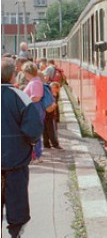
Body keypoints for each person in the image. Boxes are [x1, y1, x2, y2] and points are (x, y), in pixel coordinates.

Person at [1, 57, 44, 238]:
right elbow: (33, 128)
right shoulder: (20, 97)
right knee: (16, 204)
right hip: (15, 161)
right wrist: (31, 143)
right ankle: (15, 233)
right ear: (13, 76)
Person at [22, 61, 46, 161]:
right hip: (36, 109)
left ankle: (36, 154)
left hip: (35, 110)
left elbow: (36, 97)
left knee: (34, 132)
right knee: (36, 132)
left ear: (28, 73)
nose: (24, 75)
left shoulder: (35, 82)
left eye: (24, 73)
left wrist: (25, 99)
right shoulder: (35, 81)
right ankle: (36, 154)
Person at [43, 82, 62, 149]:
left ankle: (46, 144)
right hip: (49, 113)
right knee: (51, 130)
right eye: (57, 89)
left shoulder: (52, 94)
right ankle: (55, 144)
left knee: (45, 129)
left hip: (46, 114)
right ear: (54, 88)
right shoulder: (51, 95)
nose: (58, 91)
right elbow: (53, 105)